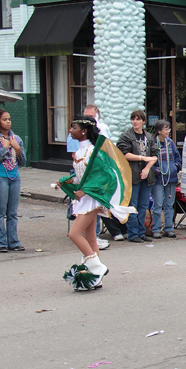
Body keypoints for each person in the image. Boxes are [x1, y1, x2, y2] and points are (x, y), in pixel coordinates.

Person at [56, 116, 134, 290]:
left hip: (92, 199)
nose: (70, 130)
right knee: (91, 237)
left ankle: (98, 268)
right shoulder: (79, 153)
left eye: (73, 127)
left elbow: (104, 176)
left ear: (84, 130)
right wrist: (68, 181)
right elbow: (82, 175)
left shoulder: (93, 151)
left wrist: (85, 190)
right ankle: (95, 278)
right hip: (84, 199)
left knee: (74, 234)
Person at [0, 109, 25, 252]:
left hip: (15, 178)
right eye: (4, 119)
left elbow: (23, 162)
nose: (8, 122)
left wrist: (18, 149)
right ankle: (0, 242)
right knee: (0, 211)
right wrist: (4, 148)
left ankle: (13, 241)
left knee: (12, 213)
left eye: (9, 119)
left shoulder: (16, 138)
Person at [117, 110, 158, 243]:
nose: (135, 121)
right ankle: (132, 233)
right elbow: (124, 154)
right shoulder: (126, 136)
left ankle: (141, 232)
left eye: (138, 119)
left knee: (143, 205)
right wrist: (142, 157)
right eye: (133, 119)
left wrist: (147, 168)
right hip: (131, 175)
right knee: (132, 205)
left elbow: (154, 155)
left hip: (146, 175)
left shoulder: (149, 137)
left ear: (143, 121)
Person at [151, 120, 181, 238]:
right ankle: (156, 228)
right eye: (165, 129)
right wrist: (157, 170)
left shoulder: (170, 142)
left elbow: (177, 157)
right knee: (158, 204)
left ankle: (169, 228)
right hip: (159, 178)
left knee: (169, 204)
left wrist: (175, 167)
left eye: (168, 129)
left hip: (171, 177)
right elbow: (151, 159)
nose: (168, 131)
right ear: (159, 131)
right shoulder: (153, 143)